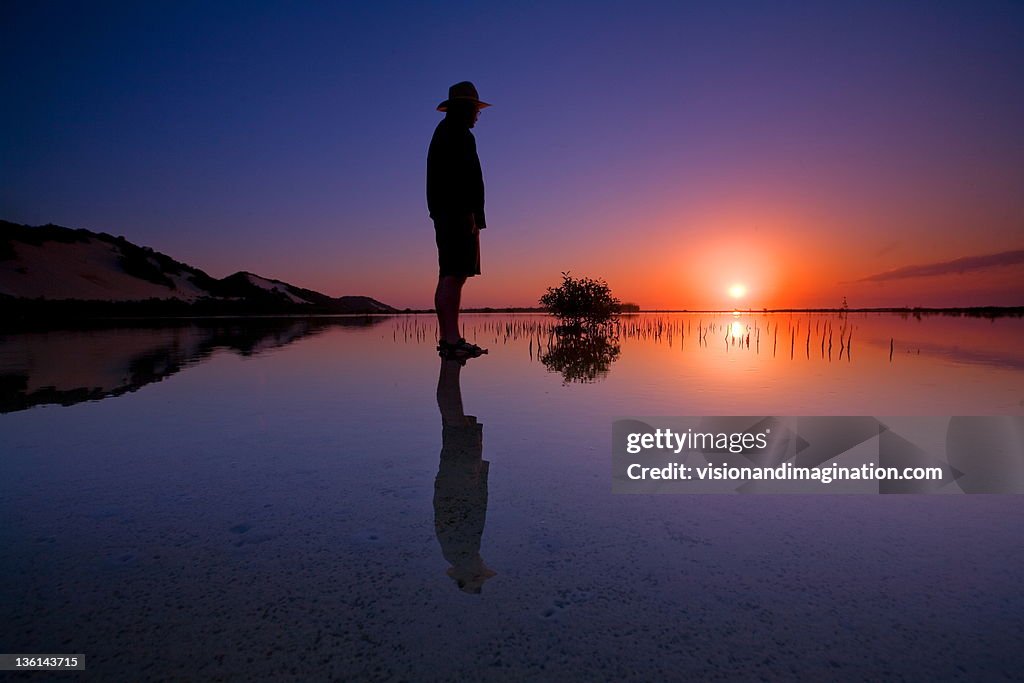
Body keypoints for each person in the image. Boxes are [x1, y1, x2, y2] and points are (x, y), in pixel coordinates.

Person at [427, 81, 490, 360]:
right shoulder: (457, 134)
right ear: (465, 108)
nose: (478, 114)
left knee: (451, 274)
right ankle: (451, 341)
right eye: (475, 109)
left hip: (451, 212)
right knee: (454, 274)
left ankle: (449, 339)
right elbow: (465, 179)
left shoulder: (447, 132)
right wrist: (471, 216)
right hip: (456, 213)